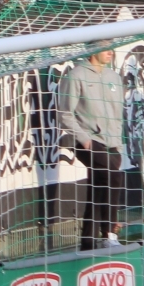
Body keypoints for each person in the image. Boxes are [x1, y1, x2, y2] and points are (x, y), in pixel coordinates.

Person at [55, 47, 124, 250]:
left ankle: (88, 243)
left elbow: (118, 114)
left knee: (99, 190)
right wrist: (84, 139)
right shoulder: (76, 76)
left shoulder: (113, 77)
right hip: (87, 141)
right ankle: (109, 233)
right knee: (114, 176)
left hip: (112, 143)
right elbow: (65, 114)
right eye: (105, 47)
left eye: (112, 47)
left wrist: (118, 143)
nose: (111, 51)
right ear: (94, 50)